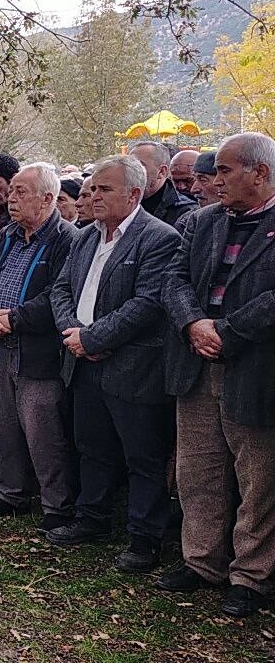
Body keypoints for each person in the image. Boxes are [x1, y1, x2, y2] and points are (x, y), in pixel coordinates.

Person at [157, 132, 275, 617]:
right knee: (197, 470)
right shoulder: (201, 221)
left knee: (258, 477)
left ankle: (251, 575)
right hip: (197, 363)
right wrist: (194, 323)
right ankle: (202, 561)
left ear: (260, 172)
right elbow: (174, 279)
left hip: (255, 369)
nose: (212, 180)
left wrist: (227, 332)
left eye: (224, 171)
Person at [48, 154, 181, 573]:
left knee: (143, 456)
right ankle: (92, 518)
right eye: (92, 189)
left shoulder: (159, 238)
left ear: (134, 194)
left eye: (105, 189)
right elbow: (61, 289)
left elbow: (148, 303)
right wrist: (75, 334)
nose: (93, 196)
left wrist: (94, 338)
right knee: (92, 447)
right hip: (83, 360)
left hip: (132, 367)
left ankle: (144, 538)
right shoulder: (86, 236)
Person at [0, 163, 79, 531]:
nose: (10, 198)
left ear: (47, 199)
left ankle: (56, 504)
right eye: (12, 190)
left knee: (42, 429)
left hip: (38, 351)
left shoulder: (67, 239)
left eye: (20, 192)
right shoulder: (5, 235)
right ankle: (11, 492)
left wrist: (14, 318)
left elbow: (58, 294)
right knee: (1, 423)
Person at [130, 141, 198, 228]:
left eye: (139, 166)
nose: (131, 171)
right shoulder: (122, 201)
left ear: (161, 171)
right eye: (129, 166)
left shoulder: (185, 212)